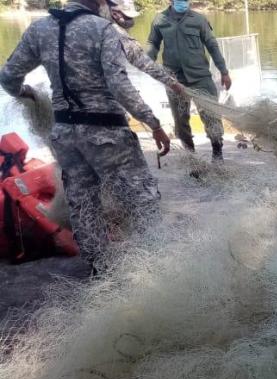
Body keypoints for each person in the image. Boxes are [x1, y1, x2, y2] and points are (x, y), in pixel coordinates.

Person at [0, 0, 171, 270]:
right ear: (99, 3)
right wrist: (153, 123)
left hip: (65, 135)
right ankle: (154, 267)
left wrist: (26, 93)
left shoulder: (40, 29)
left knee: (83, 205)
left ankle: (99, 268)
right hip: (107, 133)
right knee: (141, 199)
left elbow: (8, 78)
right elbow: (118, 84)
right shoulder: (102, 29)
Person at [147, 0, 232, 160]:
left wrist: (224, 71)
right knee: (180, 122)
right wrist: (146, 63)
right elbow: (153, 43)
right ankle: (191, 158)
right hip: (174, 79)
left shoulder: (198, 19)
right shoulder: (160, 20)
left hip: (201, 78)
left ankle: (217, 154)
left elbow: (212, 45)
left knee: (211, 117)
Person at [102, 0, 186, 95]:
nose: (131, 21)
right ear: (115, 14)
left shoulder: (93, 20)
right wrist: (173, 84)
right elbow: (141, 61)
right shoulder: (113, 31)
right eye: (128, 17)